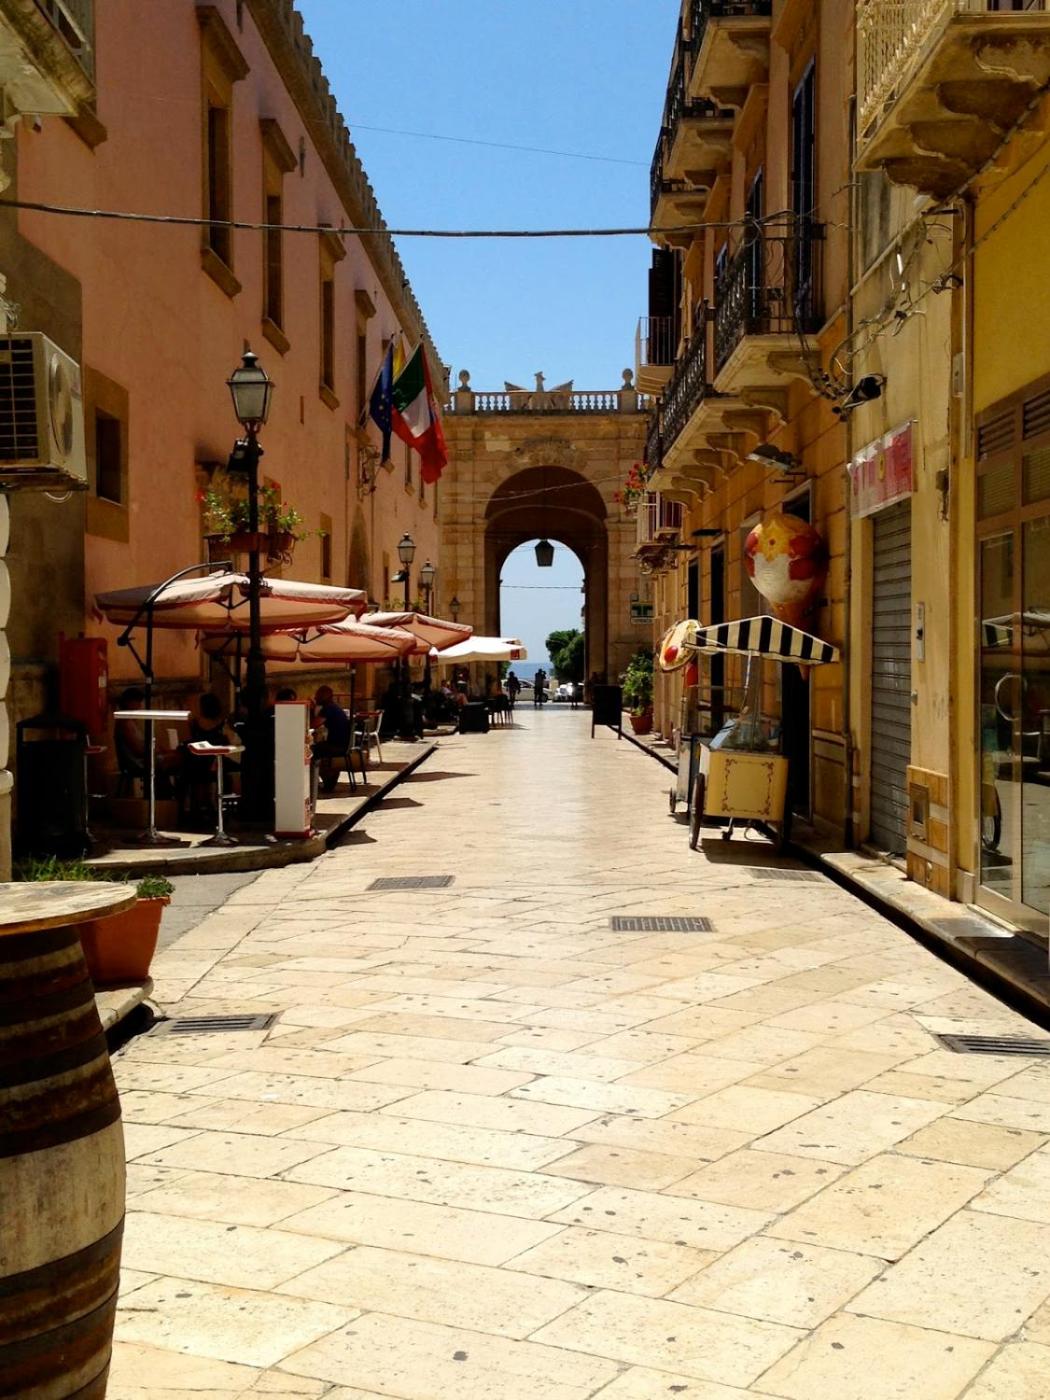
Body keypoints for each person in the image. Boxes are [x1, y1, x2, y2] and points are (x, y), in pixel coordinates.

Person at [311, 685, 351, 792]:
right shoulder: (334, 707)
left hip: (337, 746)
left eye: (317, 695)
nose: (315, 697)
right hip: (343, 744)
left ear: (324, 697)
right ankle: (329, 776)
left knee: (310, 752)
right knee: (317, 748)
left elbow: (314, 724)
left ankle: (327, 778)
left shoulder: (328, 709)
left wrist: (312, 709)